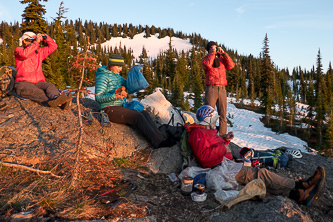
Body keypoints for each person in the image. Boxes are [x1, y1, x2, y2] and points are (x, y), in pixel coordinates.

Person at [189, 105, 326, 207]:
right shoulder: (197, 134)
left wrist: (225, 140)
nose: (215, 122)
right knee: (262, 174)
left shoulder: (207, 132)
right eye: (213, 119)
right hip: (221, 169)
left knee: (261, 181)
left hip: (228, 164)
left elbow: (212, 146)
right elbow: (204, 158)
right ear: (207, 121)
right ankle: (300, 185)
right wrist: (223, 147)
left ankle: (299, 195)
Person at [95, 54, 175, 148]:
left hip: (119, 106)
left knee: (144, 113)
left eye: (121, 67)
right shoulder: (102, 77)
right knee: (137, 116)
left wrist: (131, 73)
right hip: (108, 109)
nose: (120, 69)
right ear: (111, 65)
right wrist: (115, 96)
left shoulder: (117, 77)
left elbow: (129, 86)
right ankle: (157, 143)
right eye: (118, 66)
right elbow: (98, 98)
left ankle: (161, 139)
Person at [14, 31, 71, 109]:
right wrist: (37, 42)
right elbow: (25, 54)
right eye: (30, 40)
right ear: (24, 40)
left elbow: (53, 46)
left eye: (33, 41)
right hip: (22, 83)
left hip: (38, 82)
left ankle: (58, 99)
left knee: (49, 86)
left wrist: (45, 37)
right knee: (38, 92)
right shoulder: (18, 50)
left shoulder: (38, 52)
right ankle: (52, 103)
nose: (32, 42)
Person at [201, 41, 235, 137]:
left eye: (215, 48)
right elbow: (207, 65)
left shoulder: (222, 59)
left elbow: (231, 66)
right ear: (208, 50)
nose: (215, 50)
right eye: (212, 48)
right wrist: (212, 53)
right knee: (207, 114)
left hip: (222, 89)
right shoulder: (205, 59)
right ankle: (207, 135)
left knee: (223, 114)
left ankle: (223, 135)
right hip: (211, 88)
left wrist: (224, 54)